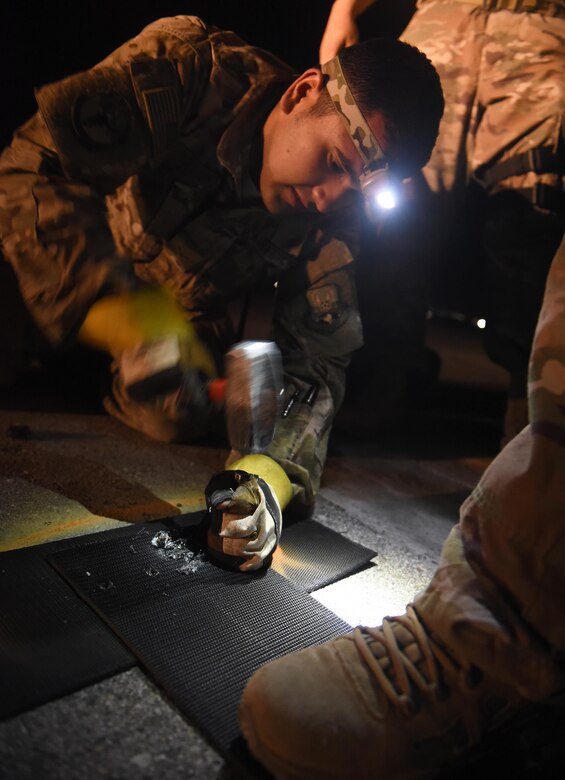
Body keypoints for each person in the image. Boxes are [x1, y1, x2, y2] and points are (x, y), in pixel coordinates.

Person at [0, 15, 444, 570]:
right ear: (303, 94)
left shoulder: (334, 226)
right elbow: (33, 166)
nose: (331, 199)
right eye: (334, 162)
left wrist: (262, 482)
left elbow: (317, 370)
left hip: (166, 346)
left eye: (354, 191)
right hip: (69, 269)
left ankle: (82, 375)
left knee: (190, 408)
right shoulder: (189, 70)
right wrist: (122, 316)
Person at [239, 227, 565, 778]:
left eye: (363, 174)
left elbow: (313, 370)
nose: (340, 187)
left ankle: (517, 623)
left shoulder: (326, 229)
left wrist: (273, 465)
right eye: (348, 147)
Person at [320, 0, 565, 446]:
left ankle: (532, 419)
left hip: (542, 20)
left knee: (532, 211)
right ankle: (385, 380)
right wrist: (345, 8)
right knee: (394, 196)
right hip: (447, 13)